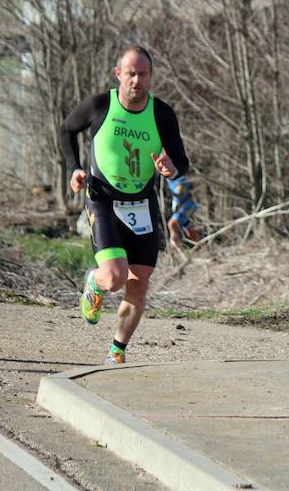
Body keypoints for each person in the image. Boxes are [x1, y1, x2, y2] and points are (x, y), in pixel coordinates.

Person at [60, 45, 190, 365]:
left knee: (139, 283)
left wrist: (170, 169)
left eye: (142, 74)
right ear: (119, 74)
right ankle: (95, 282)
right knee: (115, 276)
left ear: (150, 77)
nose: (136, 80)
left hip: (142, 205)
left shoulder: (162, 114)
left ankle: (116, 350)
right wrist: (75, 168)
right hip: (103, 198)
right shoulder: (99, 105)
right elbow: (66, 130)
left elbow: (182, 161)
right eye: (130, 73)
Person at [166, 175, 201, 244]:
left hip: (187, 204)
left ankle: (175, 247)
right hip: (185, 204)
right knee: (189, 229)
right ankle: (199, 245)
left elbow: (171, 224)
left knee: (172, 224)